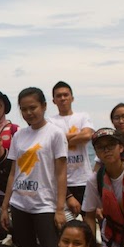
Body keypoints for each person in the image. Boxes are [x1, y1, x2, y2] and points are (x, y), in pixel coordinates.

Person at [0, 87, 68, 247]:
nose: (29, 113)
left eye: (33, 107)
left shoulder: (55, 134)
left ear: (44, 106)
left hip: (44, 205)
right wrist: (4, 207)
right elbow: (13, 173)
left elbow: (61, 174)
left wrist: (60, 209)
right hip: (19, 204)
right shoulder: (19, 135)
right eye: (24, 109)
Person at [48, 81, 94, 217]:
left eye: (66, 95)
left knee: (89, 217)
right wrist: (77, 135)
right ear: (54, 100)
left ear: (72, 98)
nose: (63, 98)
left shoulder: (82, 116)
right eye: (59, 96)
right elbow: (50, 142)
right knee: (63, 220)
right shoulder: (50, 121)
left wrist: (61, 138)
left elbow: (87, 135)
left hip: (84, 179)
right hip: (62, 181)